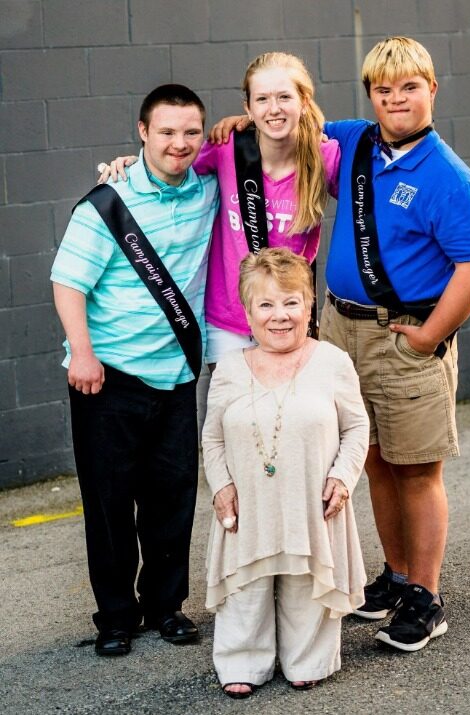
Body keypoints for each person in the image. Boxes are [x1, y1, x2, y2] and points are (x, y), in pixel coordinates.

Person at [211, 36, 470, 653]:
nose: (396, 100)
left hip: (404, 336)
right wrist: (241, 122)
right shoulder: (358, 140)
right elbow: (290, 126)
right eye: (383, 90)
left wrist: (429, 336)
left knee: (417, 468)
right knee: (373, 459)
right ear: (371, 95)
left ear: (432, 90)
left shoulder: (449, 177)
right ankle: (396, 578)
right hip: (342, 332)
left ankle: (426, 597)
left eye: (409, 88)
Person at [50, 84, 219, 656]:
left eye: (191, 131)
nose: (180, 143)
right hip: (108, 378)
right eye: (166, 132)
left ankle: (167, 608)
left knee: (172, 500)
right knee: (110, 503)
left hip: (175, 377)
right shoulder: (108, 201)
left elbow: (255, 147)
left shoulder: (211, 190)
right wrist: (84, 352)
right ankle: (117, 617)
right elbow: (68, 281)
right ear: (142, 133)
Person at [98, 52, 340, 367]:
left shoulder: (325, 157)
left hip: (289, 318)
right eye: (262, 99)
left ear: (304, 101)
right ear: (248, 108)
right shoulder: (228, 147)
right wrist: (134, 163)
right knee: (236, 414)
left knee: (286, 415)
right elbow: (170, 167)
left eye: (284, 97)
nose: (274, 109)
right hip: (229, 323)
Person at [202, 248, 368, 698]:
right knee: (247, 586)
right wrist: (222, 486)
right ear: (248, 311)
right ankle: (243, 661)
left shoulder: (332, 362)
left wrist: (343, 477)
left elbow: (357, 427)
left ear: (310, 305)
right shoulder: (231, 368)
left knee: (304, 583)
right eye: (267, 305)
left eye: (292, 302)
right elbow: (212, 438)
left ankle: (307, 659)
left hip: (310, 500)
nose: (281, 316)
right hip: (248, 503)